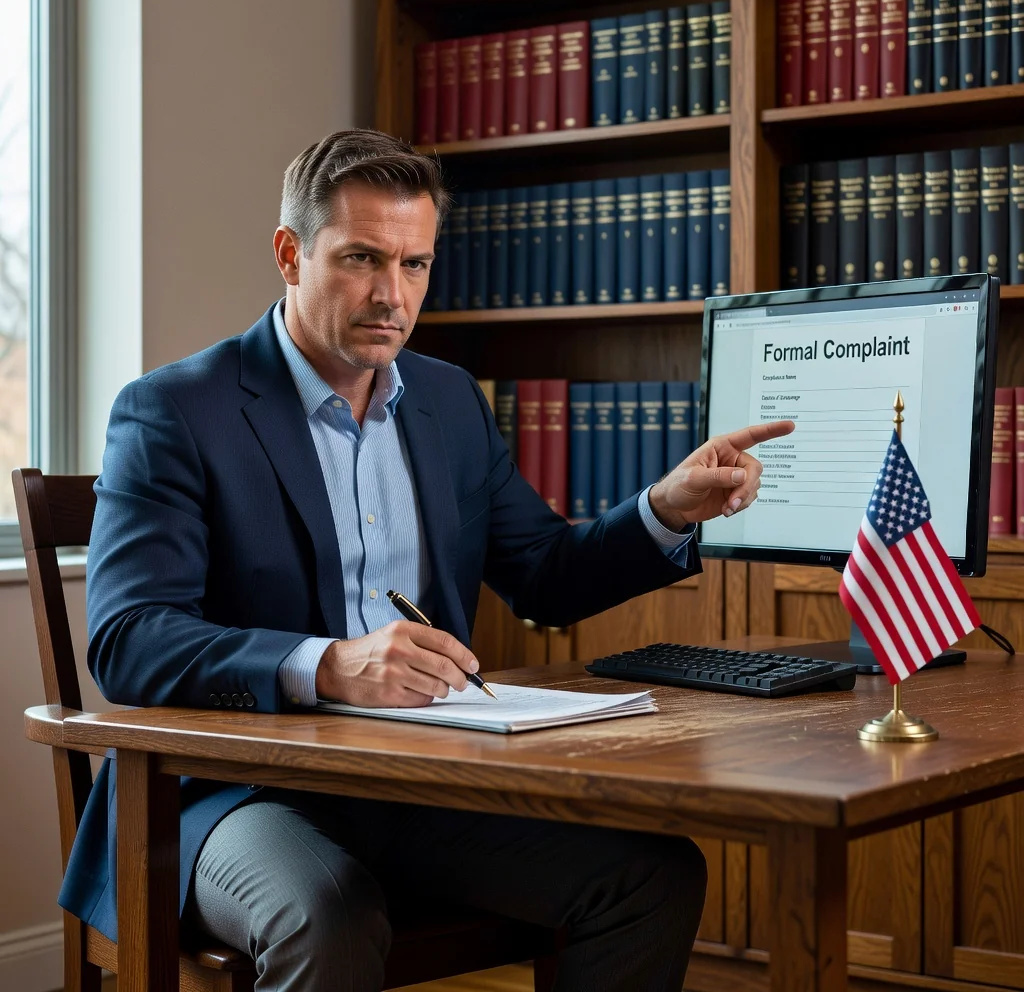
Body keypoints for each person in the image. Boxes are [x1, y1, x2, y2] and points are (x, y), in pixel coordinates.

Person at [58, 129, 794, 992]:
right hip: (232, 793)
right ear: (290, 255)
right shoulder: (174, 411)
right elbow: (130, 639)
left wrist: (664, 511)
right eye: (363, 258)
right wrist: (329, 664)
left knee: (649, 875)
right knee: (328, 912)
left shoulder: (448, 400)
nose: (391, 295)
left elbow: (546, 574)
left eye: (415, 265)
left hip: (418, 776)